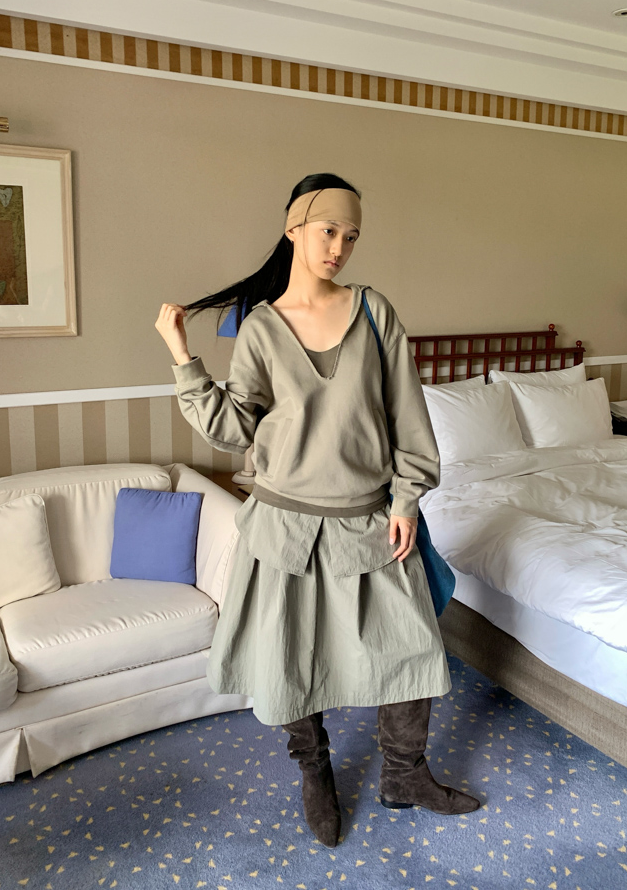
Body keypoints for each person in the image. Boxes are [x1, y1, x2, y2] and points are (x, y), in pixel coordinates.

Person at [155, 172, 480, 848]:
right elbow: (235, 428)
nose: (339, 247)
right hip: (285, 525)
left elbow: (408, 414)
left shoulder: (374, 312)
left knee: (413, 652)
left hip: (370, 518)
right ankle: (315, 772)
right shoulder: (261, 328)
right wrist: (182, 356)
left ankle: (405, 775)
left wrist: (406, 499)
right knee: (290, 663)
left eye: (351, 236)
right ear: (294, 227)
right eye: (329, 230)